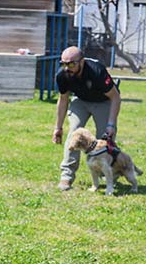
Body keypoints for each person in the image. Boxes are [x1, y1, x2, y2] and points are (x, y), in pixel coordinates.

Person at [52, 46, 122, 190]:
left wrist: (111, 124)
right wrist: (58, 127)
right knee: (74, 133)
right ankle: (66, 176)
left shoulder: (97, 71)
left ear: (82, 61)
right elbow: (63, 99)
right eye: (63, 64)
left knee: (106, 137)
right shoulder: (62, 75)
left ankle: (109, 173)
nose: (67, 68)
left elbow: (115, 97)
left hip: (103, 101)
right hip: (81, 100)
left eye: (71, 64)